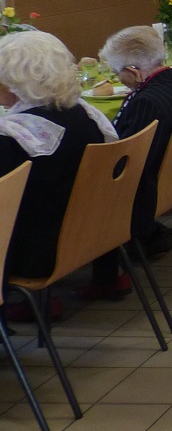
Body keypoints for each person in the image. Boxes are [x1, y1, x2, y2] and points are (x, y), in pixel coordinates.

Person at [82, 26, 172, 299]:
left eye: (118, 72)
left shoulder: (146, 103)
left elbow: (125, 163)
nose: (118, 78)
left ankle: (107, 276)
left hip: (145, 193)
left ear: (134, 71)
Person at [0, 31, 117, 319]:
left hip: (38, 252)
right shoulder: (87, 117)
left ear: (14, 82)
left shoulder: (14, 138)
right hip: (92, 234)